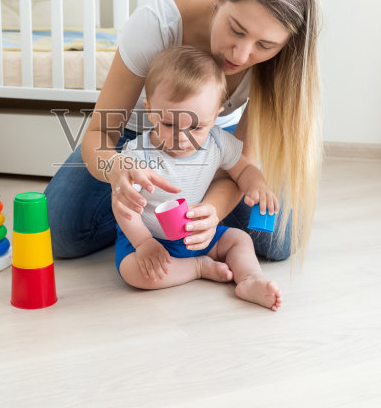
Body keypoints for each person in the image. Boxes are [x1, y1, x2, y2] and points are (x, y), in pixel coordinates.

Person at [45, 0, 322, 262]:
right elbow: (98, 135)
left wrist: (213, 212)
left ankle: (181, 208)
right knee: (58, 232)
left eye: (265, 45)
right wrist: (115, 170)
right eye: (236, 29)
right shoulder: (158, 22)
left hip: (214, 139)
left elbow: (242, 161)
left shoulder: (280, 64)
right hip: (136, 139)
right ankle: (149, 219)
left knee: (280, 240)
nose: (241, 55)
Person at [114, 45, 282, 310]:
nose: (183, 137)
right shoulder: (138, 153)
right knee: (132, 272)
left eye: (196, 126)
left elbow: (244, 169)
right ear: (149, 110)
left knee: (240, 239)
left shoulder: (217, 141)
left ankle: (250, 279)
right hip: (152, 241)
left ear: (215, 116)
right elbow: (122, 204)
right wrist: (143, 243)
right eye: (169, 124)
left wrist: (257, 184)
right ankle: (196, 268)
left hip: (201, 236)